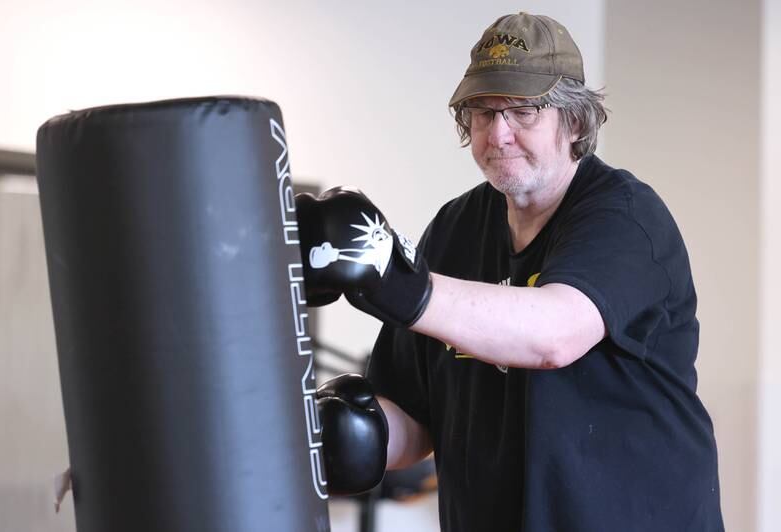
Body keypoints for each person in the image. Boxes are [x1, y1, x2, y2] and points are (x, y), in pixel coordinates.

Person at [297, 11, 725, 532]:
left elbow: (553, 334)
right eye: (482, 111)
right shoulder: (455, 229)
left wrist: (399, 283)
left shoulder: (626, 217)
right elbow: (416, 419)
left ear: (574, 121)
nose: (498, 133)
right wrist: (344, 434)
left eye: (522, 110)